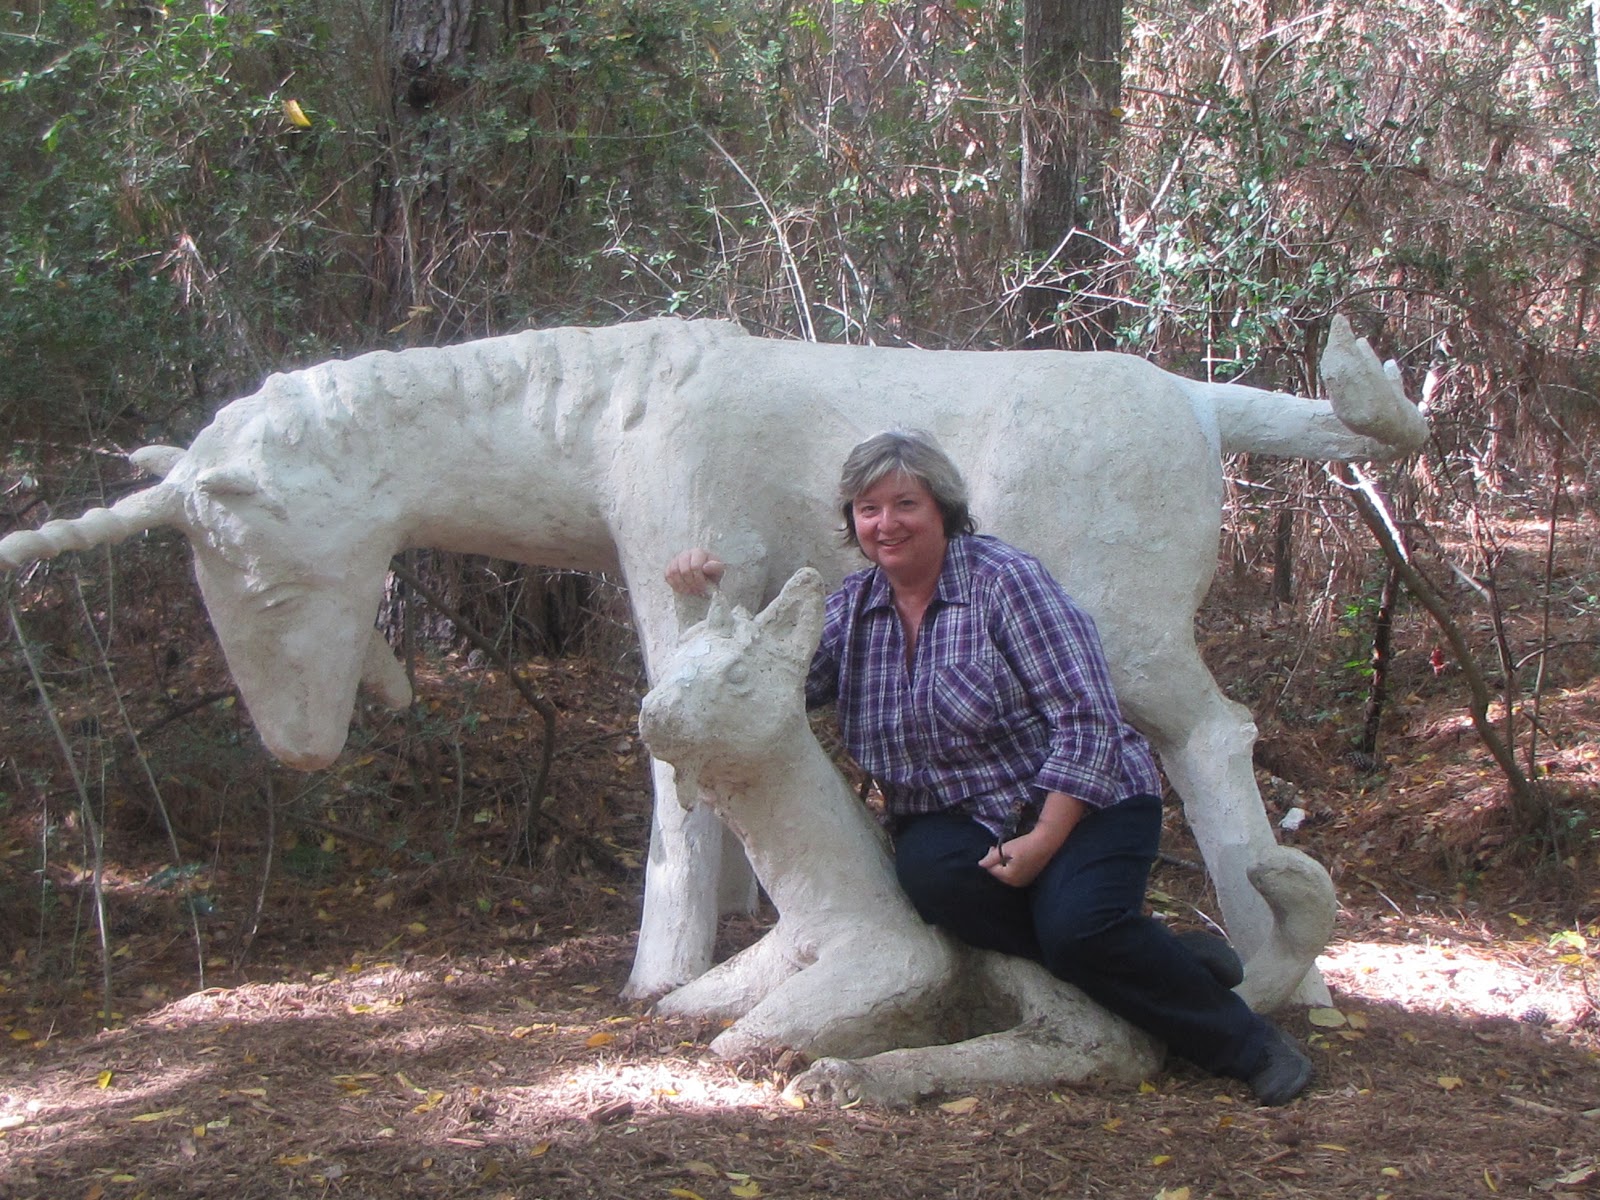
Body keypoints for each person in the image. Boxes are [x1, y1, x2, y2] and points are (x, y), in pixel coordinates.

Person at [665, 429, 1313, 1106]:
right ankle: (1161, 960)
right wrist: (703, 601)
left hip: (1086, 796)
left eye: (905, 504)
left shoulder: (1005, 582)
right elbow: (765, 688)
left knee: (1077, 930)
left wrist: (1045, 838)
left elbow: (1087, 718)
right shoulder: (852, 611)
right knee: (934, 885)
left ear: (942, 509)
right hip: (955, 818)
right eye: (868, 508)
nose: (886, 523)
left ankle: (1249, 1045)